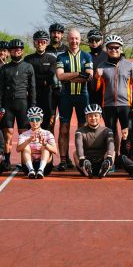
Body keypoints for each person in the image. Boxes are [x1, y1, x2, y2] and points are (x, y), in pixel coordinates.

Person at [95, 34, 133, 166]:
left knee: (127, 132)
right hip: (108, 105)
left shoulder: (129, 65)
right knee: (111, 133)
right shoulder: (102, 66)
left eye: (116, 47)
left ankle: (124, 158)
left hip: (125, 105)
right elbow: (96, 88)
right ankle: (113, 159)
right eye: (110, 48)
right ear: (107, 49)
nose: (114, 50)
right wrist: (97, 77)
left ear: (121, 49)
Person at [55, 28, 94, 171]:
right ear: (67, 39)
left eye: (76, 38)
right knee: (64, 129)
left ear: (80, 40)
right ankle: (63, 160)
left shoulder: (86, 56)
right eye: (71, 38)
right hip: (66, 96)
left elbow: (89, 76)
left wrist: (68, 77)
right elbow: (60, 76)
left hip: (82, 96)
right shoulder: (61, 57)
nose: (74, 41)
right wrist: (78, 73)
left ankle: (81, 157)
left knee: (82, 128)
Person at [0, 38, 36, 170]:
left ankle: (25, 162)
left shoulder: (28, 67)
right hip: (7, 104)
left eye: (18, 49)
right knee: (7, 133)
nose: (16, 51)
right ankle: (6, 161)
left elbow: (32, 89)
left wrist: (33, 106)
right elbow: (0, 90)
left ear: (22, 51)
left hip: (23, 104)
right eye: (13, 50)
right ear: (10, 52)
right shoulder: (4, 68)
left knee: (23, 134)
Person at [24, 30, 59, 132]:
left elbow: (50, 77)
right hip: (32, 95)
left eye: (43, 42)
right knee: (31, 125)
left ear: (47, 43)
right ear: (34, 43)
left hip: (48, 95)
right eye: (37, 41)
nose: (40, 44)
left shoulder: (52, 59)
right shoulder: (28, 59)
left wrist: (42, 80)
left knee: (47, 126)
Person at [74, 104, 116, 178]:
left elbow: (111, 145)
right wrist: (82, 158)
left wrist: (109, 157)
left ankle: (105, 169)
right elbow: (79, 145)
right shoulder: (79, 131)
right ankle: (85, 170)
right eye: (90, 116)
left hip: (102, 162)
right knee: (75, 153)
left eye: (96, 115)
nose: (93, 118)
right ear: (86, 117)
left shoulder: (107, 131)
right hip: (86, 161)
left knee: (113, 152)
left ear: (100, 117)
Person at [17, 107, 58, 178]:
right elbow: (18, 149)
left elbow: (55, 151)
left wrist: (45, 144)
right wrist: (28, 141)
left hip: (45, 167)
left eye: (37, 119)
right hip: (28, 166)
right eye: (32, 119)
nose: (35, 122)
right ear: (29, 121)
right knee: (25, 147)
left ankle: (41, 170)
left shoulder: (48, 133)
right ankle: (31, 170)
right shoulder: (23, 135)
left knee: (45, 147)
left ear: (41, 120)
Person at [45, 23, 68, 125]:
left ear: (62, 35)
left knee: (64, 124)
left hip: (64, 89)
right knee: (50, 122)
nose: (56, 35)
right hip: (49, 90)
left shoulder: (67, 50)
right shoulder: (45, 50)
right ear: (50, 34)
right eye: (54, 32)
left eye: (58, 33)